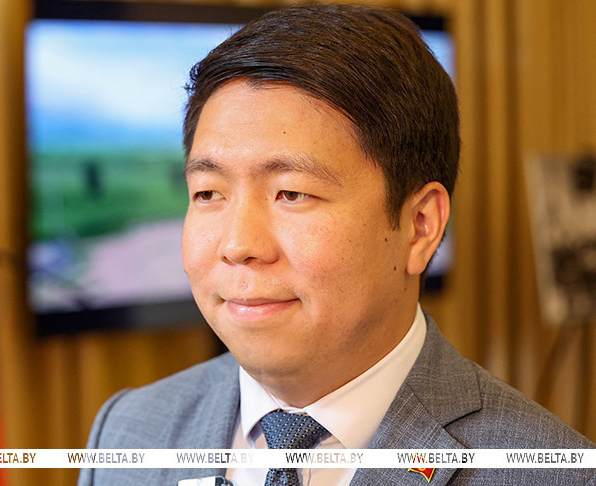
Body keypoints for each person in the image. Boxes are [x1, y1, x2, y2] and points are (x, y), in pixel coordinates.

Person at [77, 4, 596, 485]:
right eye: (209, 193)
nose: (237, 245)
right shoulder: (126, 432)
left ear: (420, 226)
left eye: (292, 193)